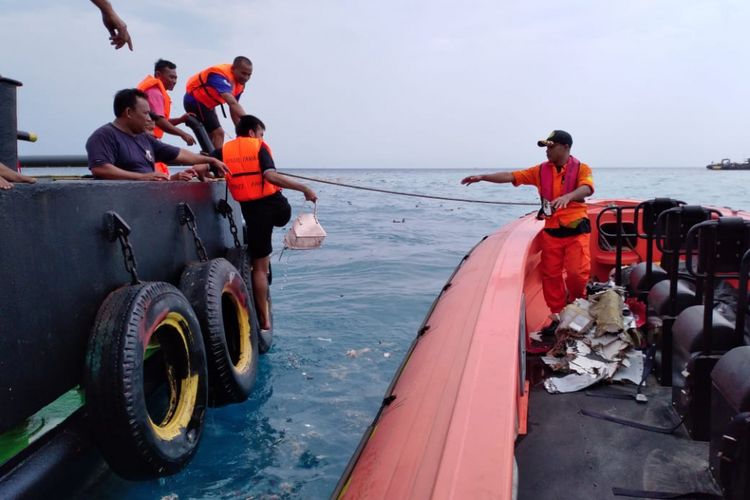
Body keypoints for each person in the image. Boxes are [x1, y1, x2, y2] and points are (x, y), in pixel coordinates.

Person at [461, 130, 595, 317]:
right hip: (552, 232)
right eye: (546, 148)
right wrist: (483, 177)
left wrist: (568, 196)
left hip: (576, 230)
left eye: (551, 147)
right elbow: (511, 176)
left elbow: (587, 188)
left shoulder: (582, 168)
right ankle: (558, 316)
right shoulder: (540, 170)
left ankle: (578, 308)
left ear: (565, 147)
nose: (547, 151)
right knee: (550, 277)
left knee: (576, 275)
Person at [211, 115, 317, 331]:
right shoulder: (259, 148)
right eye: (260, 133)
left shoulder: (223, 151)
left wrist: (196, 173)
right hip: (274, 208)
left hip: (251, 211)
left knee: (259, 268)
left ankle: (264, 320)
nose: (261, 137)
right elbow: (270, 175)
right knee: (282, 216)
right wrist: (304, 189)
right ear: (252, 133)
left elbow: (206, 166)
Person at [86, 89, 227, 181]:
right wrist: (142, 177)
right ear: (128, 113)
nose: (149, 119)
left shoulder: (145, 138)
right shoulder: (104, 136)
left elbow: (179, 154)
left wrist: (210, 160)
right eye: (145, 113)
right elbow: (100, 168)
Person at [184, 57, 253, 150]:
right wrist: (249, 122)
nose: (246, 78)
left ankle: (215, 159)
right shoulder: (219, 75)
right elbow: (231, 102)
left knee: (217, 134)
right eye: (243, 73)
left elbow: (234, 109)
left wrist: (240, 131)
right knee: (218, 133)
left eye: (249, 75)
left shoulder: (240, 84)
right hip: (194, 101)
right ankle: (217, 160)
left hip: (208, 105)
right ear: (233, 69)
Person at [137, 59, 195, 146]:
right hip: (144, 140)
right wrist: (183, 134)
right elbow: (160, 121)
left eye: (175, 78)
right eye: (171, 77)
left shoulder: (154, 91)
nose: (174, 81)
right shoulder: (154, 92)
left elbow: (160, 122)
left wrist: (180, 120)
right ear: (158, 75)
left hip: (145, 139)